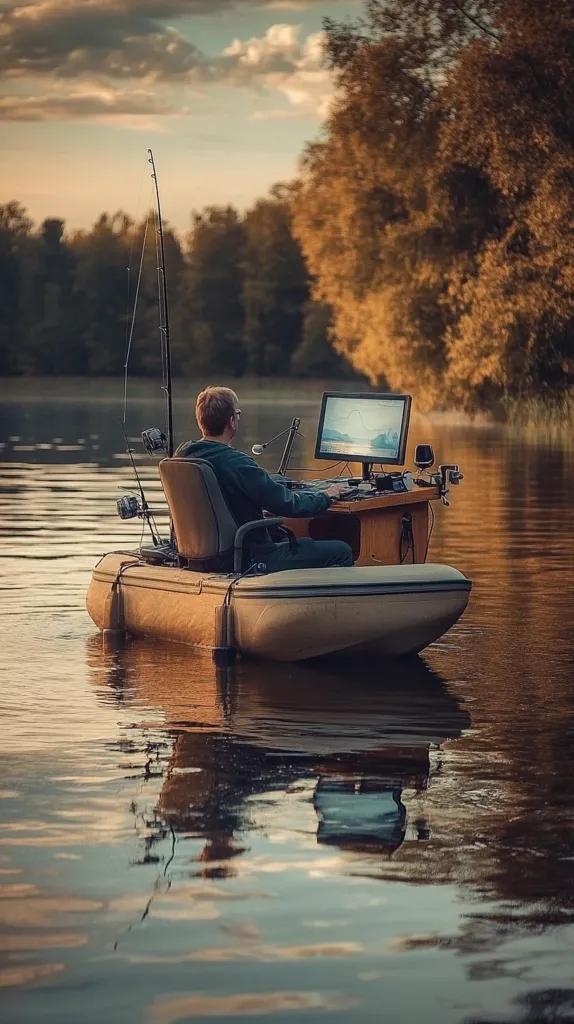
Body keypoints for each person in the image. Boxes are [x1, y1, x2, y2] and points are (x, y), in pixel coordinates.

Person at [176, 386, 354, 573]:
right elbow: (290, 504)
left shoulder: (183, 456)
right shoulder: (237, 463)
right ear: (231, 421)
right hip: (252, 556)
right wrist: (326, 495)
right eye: (237, 414)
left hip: (205, 556)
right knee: (341, 551)